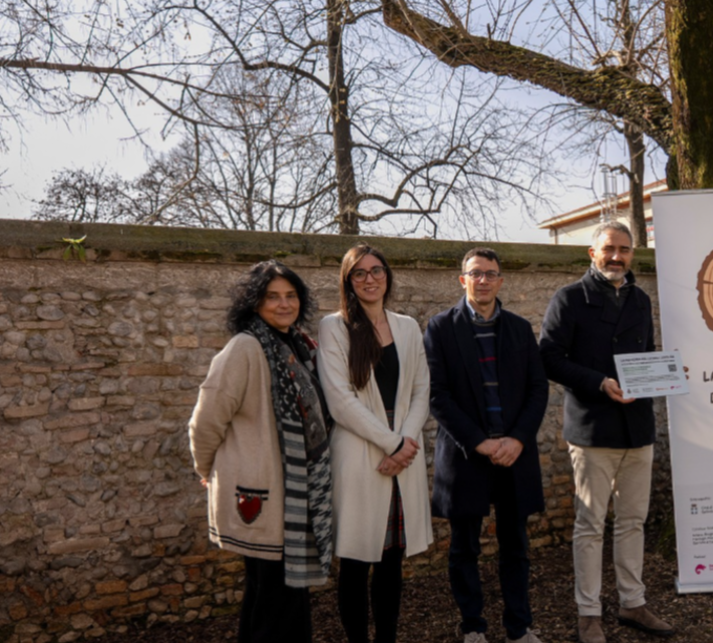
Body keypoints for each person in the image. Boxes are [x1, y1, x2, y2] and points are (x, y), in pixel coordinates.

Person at [539, 221, 674, 643]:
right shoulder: (569, 298)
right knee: (590, 524)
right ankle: (588, 612)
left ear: (633, 254)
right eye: (609, 249)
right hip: (593, 429)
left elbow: (645, 357)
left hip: (638, 429)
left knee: (633, 521)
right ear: (592, 254)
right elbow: (549, 358)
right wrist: (600, 382)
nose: (617, 256)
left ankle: (632, 603)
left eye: (625, 249)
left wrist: (666, 374)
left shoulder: (639, 299)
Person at [189, 260, 333, 643]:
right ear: (254, 303)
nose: (284, 304)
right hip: (262, 494)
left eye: (291, 296)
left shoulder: (297, 346)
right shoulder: (245, 347)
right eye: (273, 297)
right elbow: (205, 421)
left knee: (274, 594)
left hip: (293, 494)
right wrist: (208, 470)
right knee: (274, 597)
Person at [423, 247, 550, 643]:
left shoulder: (519, 328)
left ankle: (519, 628)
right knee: (464, 549)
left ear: (500, 280)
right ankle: (473, 628)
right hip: (467, 455)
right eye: (475, 273)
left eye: (490, 273)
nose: (483, 280)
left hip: (514, 453)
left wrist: (517, 439)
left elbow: (537, 388)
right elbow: (437, 394)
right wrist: (479, 442)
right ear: (463, 280)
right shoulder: (440, 328)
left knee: (516, 548)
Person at [316, 244, 433, 643]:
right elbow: (339, 400)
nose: (370, 279)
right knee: (354, 563)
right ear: (348, 281)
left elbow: (421, 390)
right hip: (360, 456)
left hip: (403, 456)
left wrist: (407, 443)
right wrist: (392, 443)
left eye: (376, 270)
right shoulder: (334, 326)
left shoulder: (407, 326)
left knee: (390, 564)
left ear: (388, 275)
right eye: (359, 273)